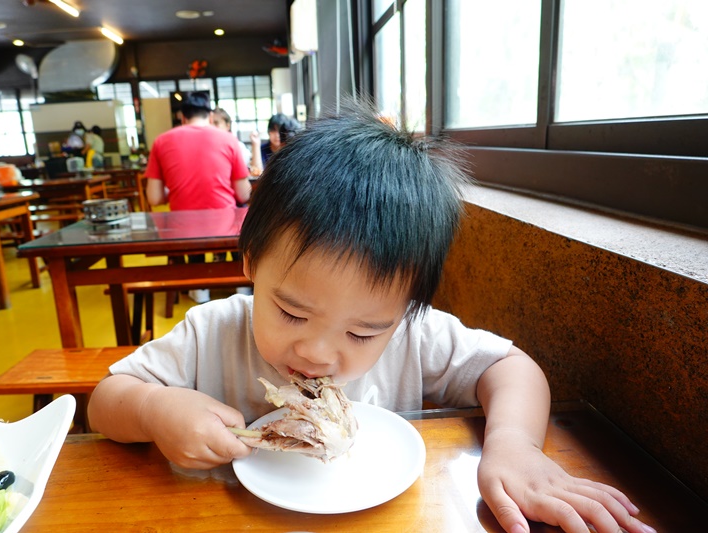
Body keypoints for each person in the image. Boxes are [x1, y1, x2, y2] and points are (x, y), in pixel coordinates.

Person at [88, 101, 652, 533]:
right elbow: (105, 403)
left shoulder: (413, 336)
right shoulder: (211, 332)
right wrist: (155, 408)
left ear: (405, 309)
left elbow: (512, 368)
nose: (317, 353)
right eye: (290, 311)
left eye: (363, 332)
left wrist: (514, 445)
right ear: (252, 265)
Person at [145, 92, 252, 303]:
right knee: (239, 227)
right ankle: (242, 287)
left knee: (189, 226)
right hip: (225, 225)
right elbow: (243, 193)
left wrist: (178, 190)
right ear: (210, 117)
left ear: (182, 118)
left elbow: (154, 198)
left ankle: (199, 292)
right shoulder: (229, 139)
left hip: (183, 229)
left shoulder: (161, 141)